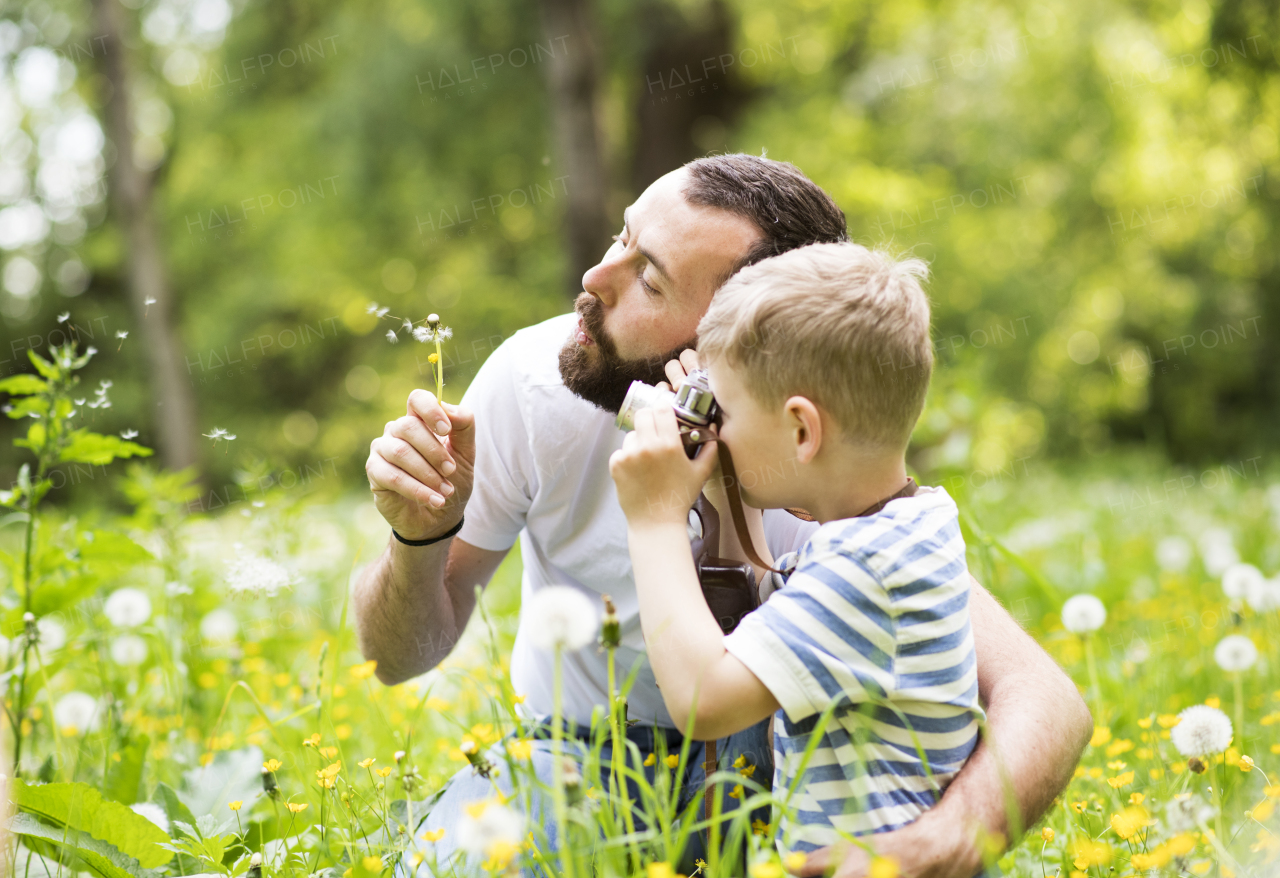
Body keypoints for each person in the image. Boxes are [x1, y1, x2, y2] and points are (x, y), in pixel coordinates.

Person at [355, 153, 1092, 877]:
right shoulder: (535, 382)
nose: (594, 280)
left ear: (749, 339)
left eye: (649, 279)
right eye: (623, 237)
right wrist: (420, 535)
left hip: (774, 772)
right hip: (576, 756)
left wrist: (947, 839)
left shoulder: (828, 478)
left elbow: (1045, 698)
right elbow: (396, 659)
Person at [609, 241, 984, 862]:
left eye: (721, 411)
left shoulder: (866, 569)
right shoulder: (910, 524)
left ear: (803, 430)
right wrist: (731, 496)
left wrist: (654, 522)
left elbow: (706, 702)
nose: (714, 429)